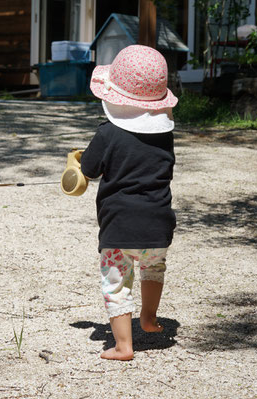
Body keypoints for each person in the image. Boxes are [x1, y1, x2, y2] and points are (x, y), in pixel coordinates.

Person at [79, 45, 178, 361]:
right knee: (153, 269)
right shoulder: (164, 136)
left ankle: (123, 345)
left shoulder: (107, 133)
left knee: (116, 283)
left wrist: (78, 163)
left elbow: (89, 170)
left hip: (119, 226)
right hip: (158, 224)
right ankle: (148, 319)